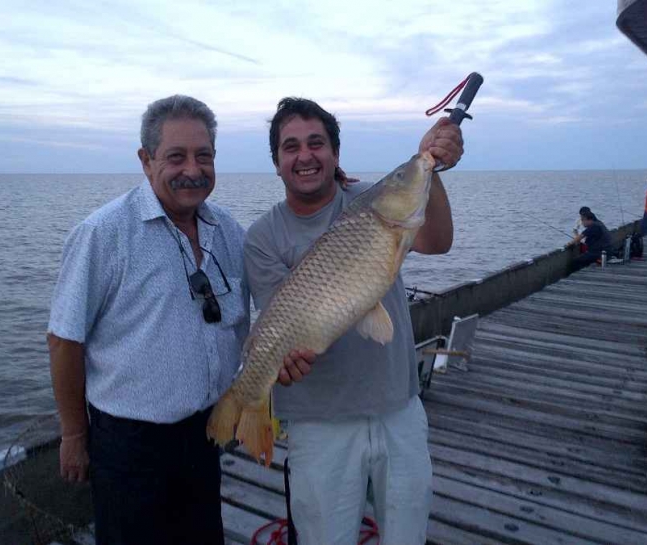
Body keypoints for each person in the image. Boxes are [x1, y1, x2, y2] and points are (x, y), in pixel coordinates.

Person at [243, 97, 463, 545]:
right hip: (318, 424)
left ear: (335, 153)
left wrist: (429, 168)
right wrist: (278, 365)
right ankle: (243, 402)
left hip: (399, 409)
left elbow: (438, 241)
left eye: (316, 143)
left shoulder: (371, 202)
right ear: (276, 161)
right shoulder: (262, 238)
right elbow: (279, 325)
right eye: (291, 147)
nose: (305, 155)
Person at [47, 95, 252, 545]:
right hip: (130, 445)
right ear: (146, 160)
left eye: (204, 156)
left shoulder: (228, 231)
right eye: (176, 156)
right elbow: (64, 340)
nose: (192, 169)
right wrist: (74, 434)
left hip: (205, 434)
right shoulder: (103, 233)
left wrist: (338, 195)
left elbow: (284, 281)